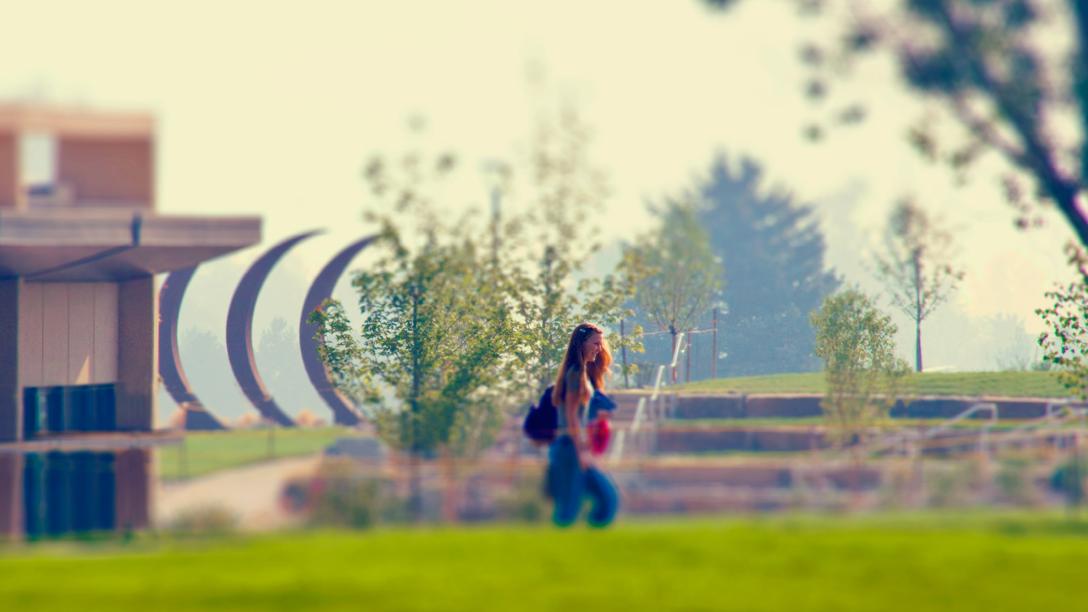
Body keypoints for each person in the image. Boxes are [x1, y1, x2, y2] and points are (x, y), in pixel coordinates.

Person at [546, 322, 620, 527]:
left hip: (574, 446)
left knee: (607, 499)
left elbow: (578, 414)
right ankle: (557, 549)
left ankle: (593, 543)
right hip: (569, 448)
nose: (600, 348)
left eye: (601, 344)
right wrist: (581, 451)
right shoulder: (576, 373)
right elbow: (571, 415)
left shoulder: (583, 374)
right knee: (569, 508)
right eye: (596, 343)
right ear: (582, 344)